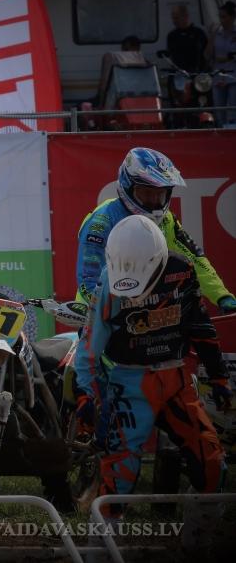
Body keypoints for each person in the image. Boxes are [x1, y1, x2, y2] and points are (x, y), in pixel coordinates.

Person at [73, 215, 230, 533]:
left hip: (177, 382)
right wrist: (85, 394)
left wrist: (218, 376)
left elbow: (200, 325)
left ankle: (199, 541)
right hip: (129, 384)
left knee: (212, 462)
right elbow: (89, 345)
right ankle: (99, 548)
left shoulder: (182, 270)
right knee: (119, 472)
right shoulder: (108, 282)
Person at [75, 147, 235, 313]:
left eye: (160, 194)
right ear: (128, 186)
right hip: (98, 313)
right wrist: (107, 310)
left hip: (149, 311)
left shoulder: (167, 219)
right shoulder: (102, 220)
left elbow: (194, 258)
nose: (154, 200)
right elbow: (88, 276)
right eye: (146, 193)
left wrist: (222, 295)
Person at [207, 0, 236, 127]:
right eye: (220, 17)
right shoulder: (217, 33)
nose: (221, 20)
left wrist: (225, 58)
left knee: (232, 111)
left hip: (233, 77)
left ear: (232, 17)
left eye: (224, 17)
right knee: (219, 112)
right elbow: (207, 55)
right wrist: (212, 36)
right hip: (218, 76)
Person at [166, 4, 208, 74]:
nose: (174, 21)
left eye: (176, 18)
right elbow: (171, 57)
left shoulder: (198, 33)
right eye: (173, 18)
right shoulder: (172, 36)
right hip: (180, 74)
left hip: (197, 74)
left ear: (186, 16)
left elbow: (207, 54)